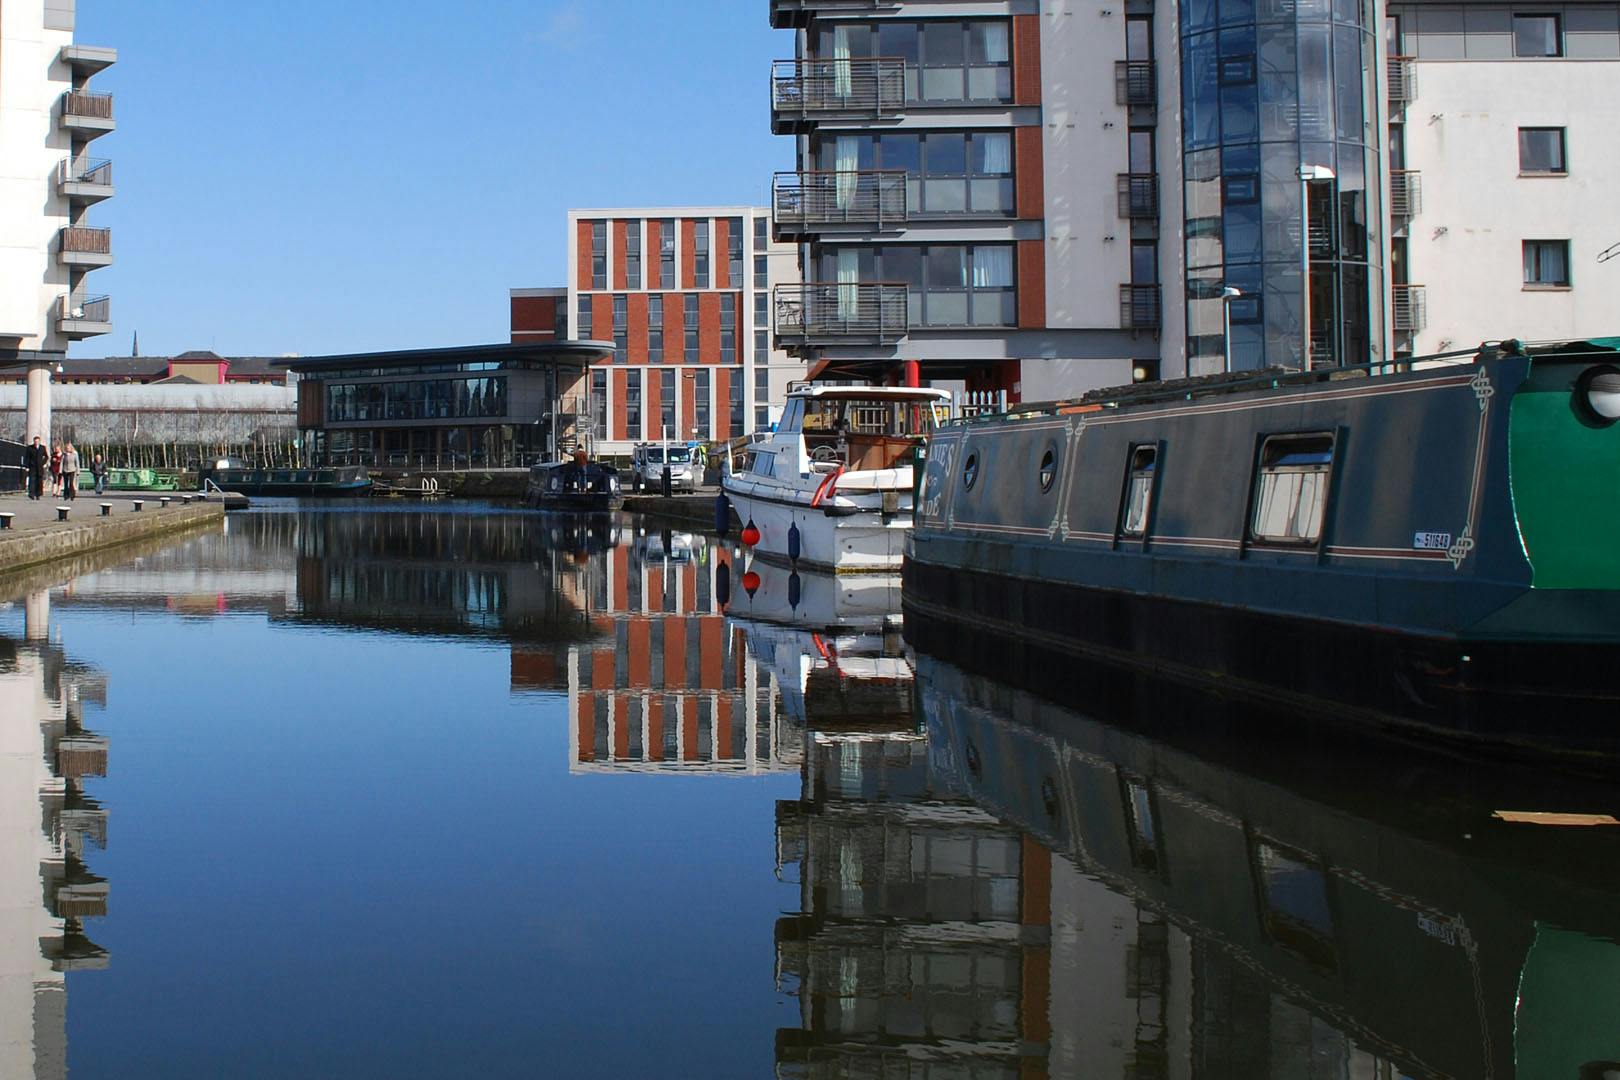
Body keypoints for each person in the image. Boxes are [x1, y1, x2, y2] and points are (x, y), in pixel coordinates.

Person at [24, 436, 48, 500]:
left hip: (40, 467)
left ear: (39, 441)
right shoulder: (30, 448)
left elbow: (46, 456)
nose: (36, 442)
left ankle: (38, 494)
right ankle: (31, 494)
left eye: (37, 441)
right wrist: (26, 466)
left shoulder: (42, 448)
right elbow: (27, 458)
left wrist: (43, 463)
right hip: (32, 467)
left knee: (39, 481)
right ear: (34, 441)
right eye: (35, 441)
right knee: (32, 480)